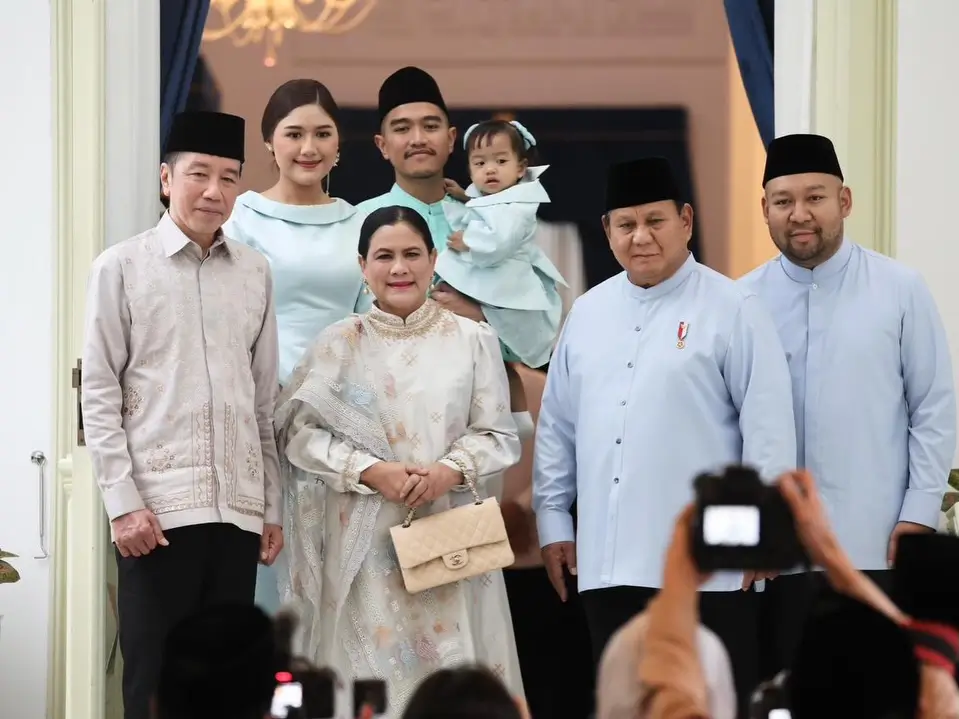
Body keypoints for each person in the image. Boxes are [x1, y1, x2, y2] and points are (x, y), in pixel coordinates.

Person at [532, 156, 797, 715]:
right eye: (625, 224)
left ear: (686, 221)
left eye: (655, 220)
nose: (641, 236)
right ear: (606, 231)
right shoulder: (586, 312)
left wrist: (760, 533)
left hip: (710, 566)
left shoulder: (733, 307)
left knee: (709, 703)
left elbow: (767, 430)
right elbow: (557, 427)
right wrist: (554, 521)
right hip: (606, 562)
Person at [274, 205, 524, 716]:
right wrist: (370, 471)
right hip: (365, 545)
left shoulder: (473, 340)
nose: (399, 268)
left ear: (434, 261)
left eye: (412, 254)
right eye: (384, 256)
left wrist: (447, 471)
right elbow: (297, 435)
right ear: (362, 266)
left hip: (448, 537)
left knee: (452, 670)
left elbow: (499, 435)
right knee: (373, 676)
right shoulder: (338, 344)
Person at [80, 111, 284, 719]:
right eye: (199, 174)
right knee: (154, 679)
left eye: (229, 177)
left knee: (229, 686)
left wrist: (269, 504)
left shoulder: (255, 273)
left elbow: (262, 398)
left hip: (238, 513)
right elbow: (97, 392)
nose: (214, 191)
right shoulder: (120, 266)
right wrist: (121, 504)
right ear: (167, 179)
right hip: (155, 515)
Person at [739, 133, 957, 680]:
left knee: (876, 695)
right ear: (765, 209)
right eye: (783, 201)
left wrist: (917, 515)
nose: (800, 214)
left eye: (815, 197)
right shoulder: (739, 301)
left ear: (845, 201)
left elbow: (933, 405)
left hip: (876, 542)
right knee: (779, 696)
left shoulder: (900, 289)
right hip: (775, 555)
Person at [223, 78, 368, 614]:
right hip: (265, 409)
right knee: (272, 569)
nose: (309, 148)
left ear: (338, 144)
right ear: (269, 142)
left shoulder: (358, 222)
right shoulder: (241, 217)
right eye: (294, 133)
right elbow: (229, 315)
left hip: (346, 412)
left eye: (322, 134)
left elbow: (367, 316)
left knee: (342, 576)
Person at [356, 66, 561, 373]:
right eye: (401, 129)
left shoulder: (493, 221)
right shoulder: (357, 220)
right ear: (382, 145)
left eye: (430, 126)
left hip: (481, 396)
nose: (418, 139)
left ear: (451, 139)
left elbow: (536, 336)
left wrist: (480, 315)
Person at [439, 119, 568, 368]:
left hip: (506, 271)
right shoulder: (497, 197)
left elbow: (501, 239)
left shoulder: (519, 204)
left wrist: (468, 241)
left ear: (521, 168)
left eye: (500, 161)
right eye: (480, 163)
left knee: (506, 323)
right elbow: (488, 208)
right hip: (494, 268)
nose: (490, 170)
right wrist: (464, 196)